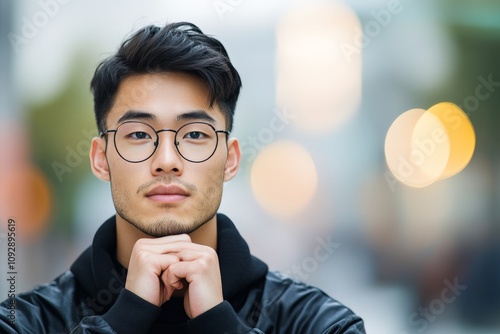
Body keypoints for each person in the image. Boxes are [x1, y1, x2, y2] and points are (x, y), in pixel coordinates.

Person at [0, 22, 365, 333]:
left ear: (230, 160)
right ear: (101, 159)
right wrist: (124, 319)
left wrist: (219, 324)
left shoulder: (317, 323)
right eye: (140, 134)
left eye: (194, 135)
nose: (167, 161)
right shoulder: (27, 321)